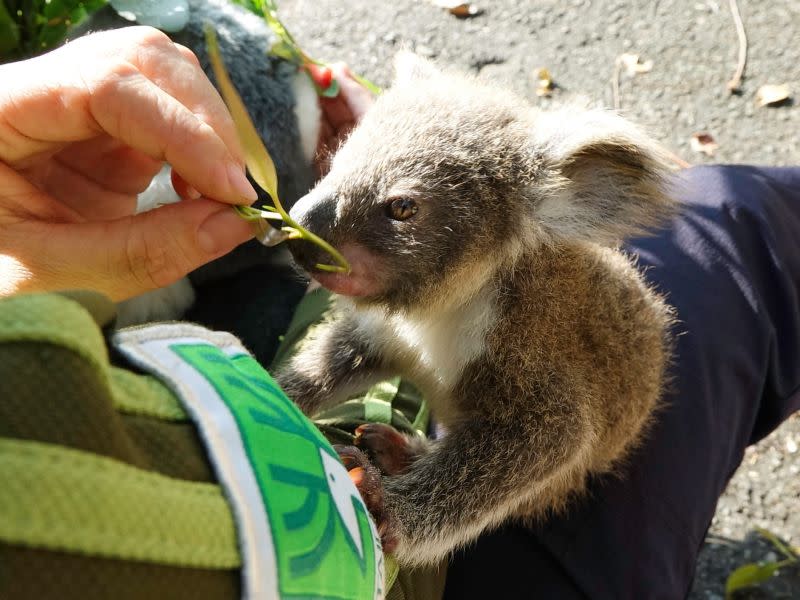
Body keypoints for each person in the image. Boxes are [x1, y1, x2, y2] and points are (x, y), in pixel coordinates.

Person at [2, 25, 800, 600]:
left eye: (402, 210)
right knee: (747, 226)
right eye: (334, 172)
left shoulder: (525, 312)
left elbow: (549, 435)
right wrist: (292, 395)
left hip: (567, 445)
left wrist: (414, 517)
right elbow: (358, 341)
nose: (313, 217)